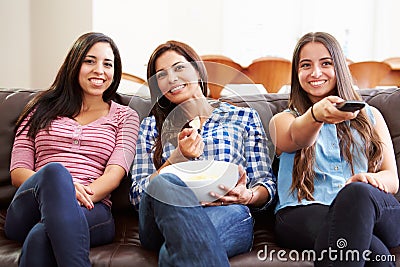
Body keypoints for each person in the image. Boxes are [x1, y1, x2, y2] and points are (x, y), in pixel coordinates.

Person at [129, 40, 276, 266]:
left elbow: (265, 183)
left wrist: (248, 195)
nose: (172, 79)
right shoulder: (151, 126)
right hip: (159, 219)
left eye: (179, 68)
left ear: (197, 70)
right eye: (162, 75)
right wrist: (176, 158)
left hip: (227, 211)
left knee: (173, 253)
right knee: (164, 182)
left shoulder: (243, 118)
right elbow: (139, 196)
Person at [5, 32, 140, 267]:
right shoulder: (39, 108)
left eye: (108, 64)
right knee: (55, 173)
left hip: (92, 208)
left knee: (40, 237)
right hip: (31, 205)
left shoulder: (125, 116)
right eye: (90, 61)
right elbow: (18, 173)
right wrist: (62, 188)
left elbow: (114, 174)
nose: (100, 70)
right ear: (74, 63)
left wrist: (71, 198)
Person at [269, 31, 400, 266]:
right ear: (296, 73)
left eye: (326, 63)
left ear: (339, 67)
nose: (316, 73)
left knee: (356, 192)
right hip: (302, 212)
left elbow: (392, 179)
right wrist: (316, 115)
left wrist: (369, 180)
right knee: (373, 251)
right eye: (306, 65)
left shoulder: (372, 116)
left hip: (371, 210)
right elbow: (296, 137)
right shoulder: (283, 120)